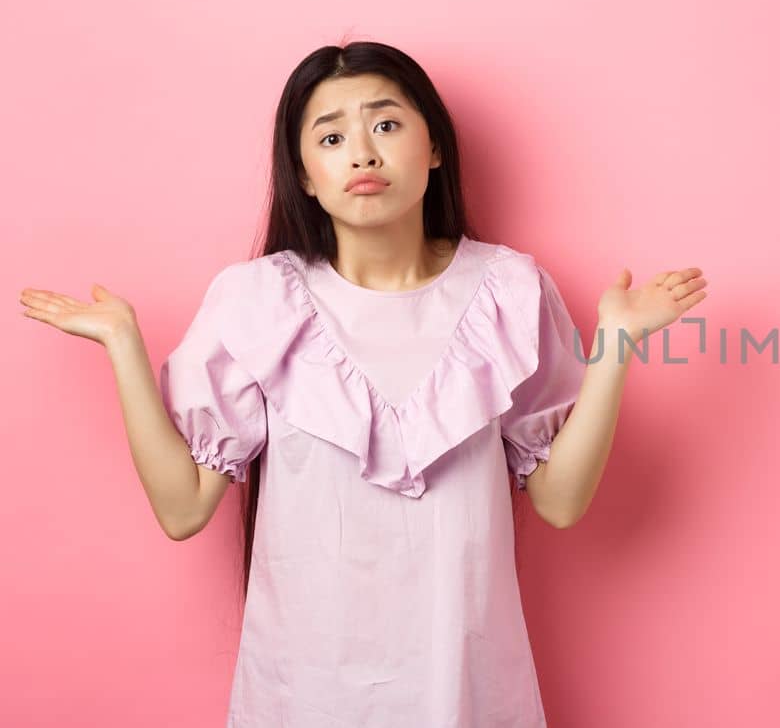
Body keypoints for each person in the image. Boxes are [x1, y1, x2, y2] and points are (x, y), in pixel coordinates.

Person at [16, 40, 708, 727]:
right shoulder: (257, 302)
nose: (363, 153)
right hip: (305, 692)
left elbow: (560, 500)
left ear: (434, 147)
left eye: (385, 124)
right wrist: (123, 345)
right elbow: (182, 509)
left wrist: (616, 343)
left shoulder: (509, 290)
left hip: (464, 693)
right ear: (306, 175)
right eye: (331, 135)